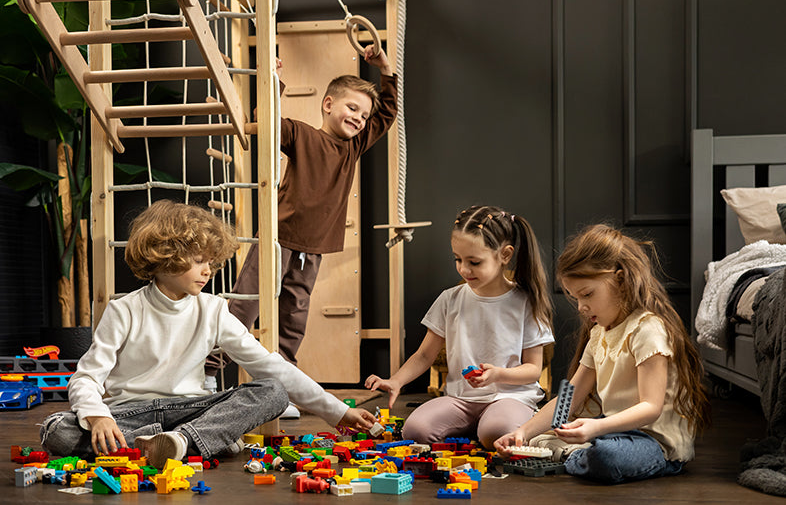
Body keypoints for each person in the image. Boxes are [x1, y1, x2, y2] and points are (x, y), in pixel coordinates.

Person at [39, 200, 375, 469]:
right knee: (55, 429)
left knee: (273, 391)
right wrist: (98, 417)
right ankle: (195, 441)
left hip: (191, 409)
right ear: (165, 256)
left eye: (210, 262)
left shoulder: (213, 310)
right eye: (199, 261)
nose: (208, 270)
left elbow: (270, 367)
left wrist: (337, 411)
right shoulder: (123, 310)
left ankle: (179, 441)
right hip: (130, 413)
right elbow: (86, 378)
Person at [207, 46, 397, 418]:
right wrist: (273, 82)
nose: (359, 119)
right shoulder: (301, 134)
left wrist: (386, 68)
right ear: (328, 104)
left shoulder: (354, 147)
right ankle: (207, 373)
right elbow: (266, 121)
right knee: (244, 307)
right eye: (352, 108)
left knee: (293, 319)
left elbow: (388, 113)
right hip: (278, 239)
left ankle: (279, 390)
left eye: (364, 115)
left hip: (313, 249)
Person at [494, 224, 712, 484]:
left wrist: (596, 427)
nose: (581, 307)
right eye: (575, 298)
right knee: (540, 438)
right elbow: (569, 398)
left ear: (620, 280)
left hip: (653, 444)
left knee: (606, 457)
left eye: (587, 294)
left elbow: (651, 408)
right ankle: (575, 451)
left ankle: (572, 454)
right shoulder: (598, 334)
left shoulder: (648, 330)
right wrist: (523, 432)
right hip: (612, 432)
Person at [365, 205, 554, 450]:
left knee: (496, 432)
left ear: (505, 255)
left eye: (474, 262)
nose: (464, 269)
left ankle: (492, 425)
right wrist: (396, 381)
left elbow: (533, 369)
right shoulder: (450, 299)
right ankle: (475, 428)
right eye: (458, 259)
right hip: (461, 399)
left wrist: (497, 374)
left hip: (509, 397)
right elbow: (424, 355)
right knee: (415, 430)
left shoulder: (525, 302)